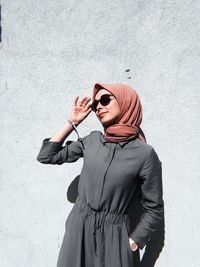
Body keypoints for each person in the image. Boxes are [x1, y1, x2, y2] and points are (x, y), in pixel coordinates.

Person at [36, 83, 164, 267]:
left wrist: (133, 242)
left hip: (115, 235)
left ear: (126, 102)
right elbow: (46, 156)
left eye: (105, 100)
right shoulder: (92, 140)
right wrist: (73, 122)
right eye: (96, 105)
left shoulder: (144, 154)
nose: (99, 108)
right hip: (78, 228)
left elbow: (154, 207)